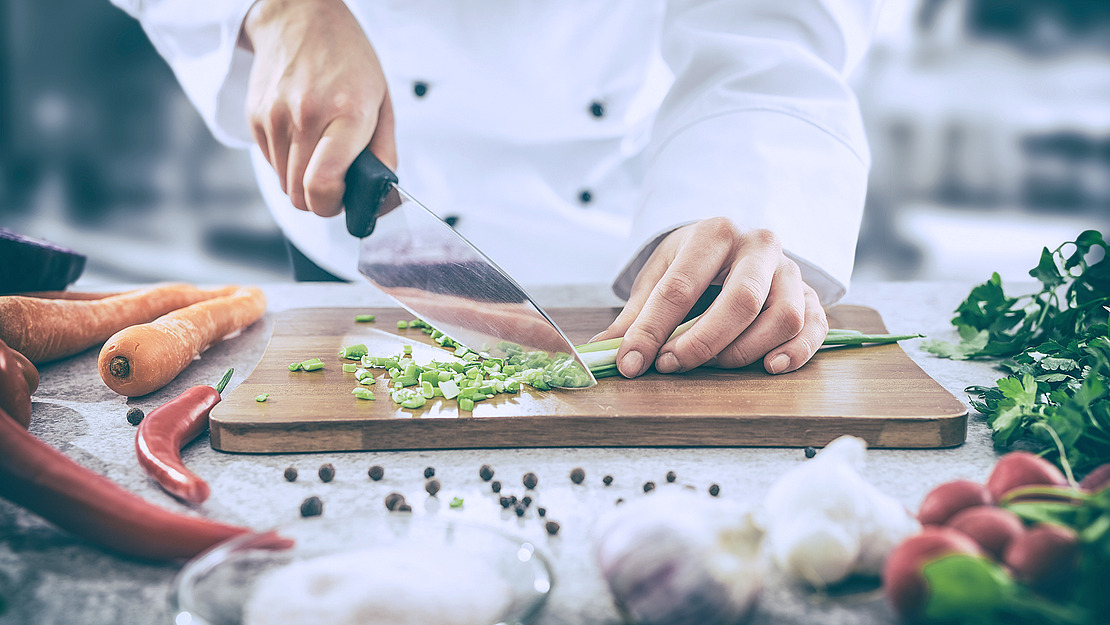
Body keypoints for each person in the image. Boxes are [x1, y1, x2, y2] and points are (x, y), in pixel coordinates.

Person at [109, 0, 881, 379]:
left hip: (639, 224)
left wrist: (744, 208)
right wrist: (277, 11)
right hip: (360, 193)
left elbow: (773, 22)